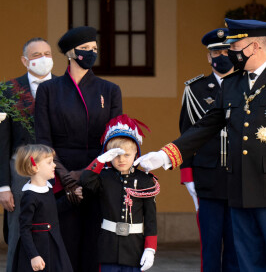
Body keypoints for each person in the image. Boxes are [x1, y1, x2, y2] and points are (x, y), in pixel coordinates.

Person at [135, 18, 266, 272]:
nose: (231, 52)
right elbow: (206, 126)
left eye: (235, 46)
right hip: (239, 193)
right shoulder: (232, 85)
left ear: (254, 47)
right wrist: (166, 155)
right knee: (247, 265)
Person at [34, 26, 123, 272]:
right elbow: (43, 140)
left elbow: (114, 142)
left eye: (94, 49)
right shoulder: (48, 90)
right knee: (64, 248)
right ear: (71, 53)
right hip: (60, 179)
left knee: (94, 250)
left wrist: (85, 175)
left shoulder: (110, 90)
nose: (92, 53)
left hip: (98, 177)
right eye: (86, 49)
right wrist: (66, 177)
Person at [180, 28, 239, 272]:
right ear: (208, 56)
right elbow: (186, 134)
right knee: (210, 246)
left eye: (227, 50)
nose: (222, 56)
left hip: (241, 178)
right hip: (207, 178)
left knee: (238, 248)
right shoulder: (195, 89)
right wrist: (187, 176)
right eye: (216, 51)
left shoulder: (247, 85)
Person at [0, 37, 55, 272]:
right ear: (25, 61)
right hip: (19, 171)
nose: (43, 59)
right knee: (18, 233)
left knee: (56, 231)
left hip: (56, 169)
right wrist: (3, 186)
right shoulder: (8, 90)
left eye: (47, 53)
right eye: (36, 55)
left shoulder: (64, 87)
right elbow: (2, 143)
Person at [78, 114, 158, 272]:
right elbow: (85, 181)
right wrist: (99, 161)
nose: (121, 159)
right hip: (108, 248)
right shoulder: (103, 177)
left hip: (135, 248)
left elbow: (150, 219)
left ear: (136, 153)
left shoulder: (145, 181)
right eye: (116, 155)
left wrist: (150, 249)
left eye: (127, 155)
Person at [12, 144, 73, 272]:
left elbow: (51, 210)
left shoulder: (48, 188)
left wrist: (70, 198)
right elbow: (24, 229)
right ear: (35, 167)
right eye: (49, 162)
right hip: (38, 249)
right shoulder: (30, 196)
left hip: (54, 246)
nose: (54, 165)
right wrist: (33, 255)